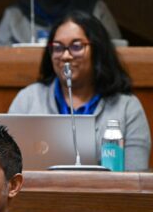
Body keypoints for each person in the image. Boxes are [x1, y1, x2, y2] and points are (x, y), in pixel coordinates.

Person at [9, 10, 150, 171]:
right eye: (58, 48)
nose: (66, 55)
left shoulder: (127, 107)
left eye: (76, 46)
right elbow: (6, 168)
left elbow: (135, 177)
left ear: (97, 50)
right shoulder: (28, 99)